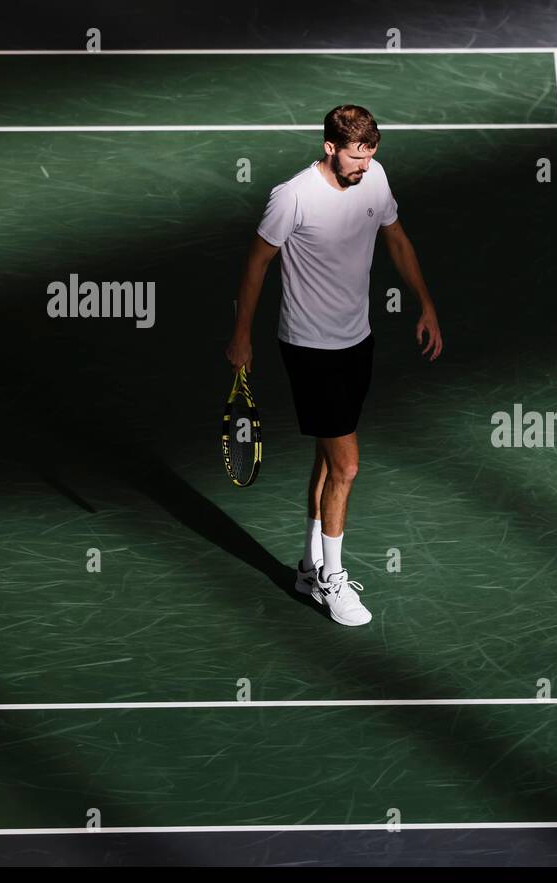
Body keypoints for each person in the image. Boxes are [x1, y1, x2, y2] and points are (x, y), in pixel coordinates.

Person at [226, 104, 442, 626]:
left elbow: (395, 236)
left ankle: (307, 567)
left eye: (370, 156)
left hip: (356, 339)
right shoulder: (293, 196)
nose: (363, 167)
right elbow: (257, 262)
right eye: (354, 156)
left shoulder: (374, 177)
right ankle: (331, 580)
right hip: (309, 346)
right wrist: (241, 335)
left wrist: (425, 303)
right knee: (347, 465)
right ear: (329, 147)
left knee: (328, 460)